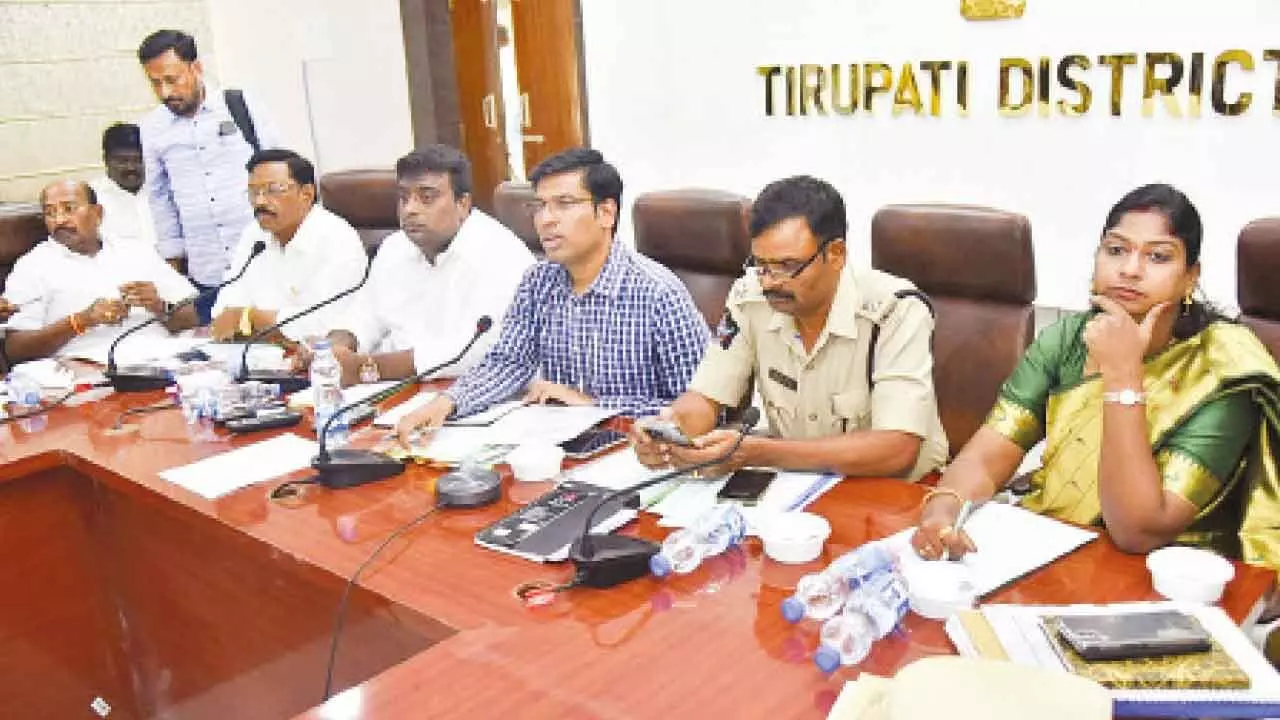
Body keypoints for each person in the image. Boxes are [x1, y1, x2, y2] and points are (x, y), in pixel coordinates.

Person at [910, 184, 1280, 572]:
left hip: (1165, 578)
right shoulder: (1069, 339)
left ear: (1190, 277)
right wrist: (944, 508)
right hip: (1049, 548)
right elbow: (988, 457)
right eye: (1116, 250)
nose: (1130, 269)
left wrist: (1123, 376)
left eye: (1157, 256)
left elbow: (1138, 530)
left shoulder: (1222, 368)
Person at [631, 176, 948, 481]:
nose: (769, 282)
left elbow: (896, 449)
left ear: (835, 254)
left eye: (787, 266)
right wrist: (670, 430)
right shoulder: (749, 296)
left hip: (890, 495)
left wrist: (759, 453)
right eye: (761, 264)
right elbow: (707, 395)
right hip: (790, 487)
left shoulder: (895, 309)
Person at [394, 147, 709, 437]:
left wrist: (594, 404)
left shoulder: (659, 294)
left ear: (606, 214)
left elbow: (702, 407)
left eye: (565, 204)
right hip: (558, 446)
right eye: (540, 206)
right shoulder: (538, 281)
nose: (546, 220)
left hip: (639, 453)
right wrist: (447, 403)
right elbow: (509, 363)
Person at [311, 145, 534, 386]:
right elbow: (364, 314)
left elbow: (480, 349)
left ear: (463, 204)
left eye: (426, 197)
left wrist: (370, 367)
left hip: (467, 392)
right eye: (403, 198)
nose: (410, 209)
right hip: (390, 389)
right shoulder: (394, 247)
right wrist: (337, 346)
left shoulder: (500, 253)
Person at [138, 29, 279, 323]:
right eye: (155, 83)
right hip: (205, 268)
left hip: (261, 258)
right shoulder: (152, 128)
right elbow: (160, 199)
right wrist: (173, 270)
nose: (165, 92)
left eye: (172, 80)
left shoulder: (241, 106)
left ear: (196, 68)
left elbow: (279, 168)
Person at [4, 180, 198, 363]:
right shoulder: (32, 267)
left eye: (69, 209)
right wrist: (80, 322)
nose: (60, 220)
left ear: (98, 213)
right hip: (87, 369)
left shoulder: (136, 251)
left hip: (163, 356)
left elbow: (192, 318)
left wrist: (159, 306)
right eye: (50, 212)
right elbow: (15, 350)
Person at [210, 149, 367, 344]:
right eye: (253, 192)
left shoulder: (337, 238)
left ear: (307, 194)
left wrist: (250, 318)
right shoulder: (254, 235)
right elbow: (223, 315)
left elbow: (328, 325)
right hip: (257, 357)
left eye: (274, 189)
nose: (259, 201)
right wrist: (264, 325)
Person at [89, 123, 158, 252]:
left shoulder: (162, 189)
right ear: (106, 160)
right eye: (122, 161)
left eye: (138, 160)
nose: (131, 167)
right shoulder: (91, 198)